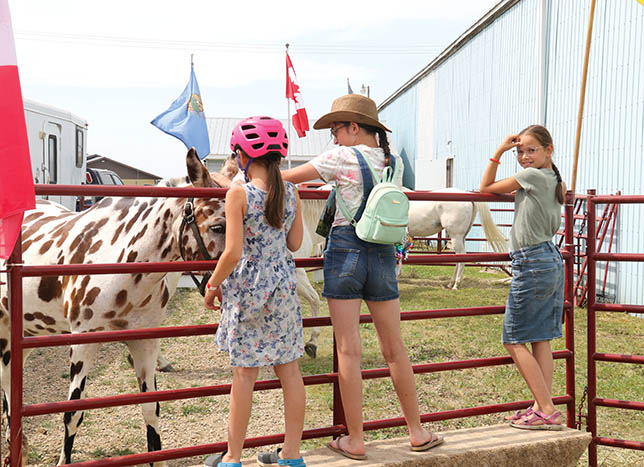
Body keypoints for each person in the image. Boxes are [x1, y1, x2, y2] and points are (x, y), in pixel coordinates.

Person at [281, 94, 443, 461]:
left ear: (353, 127)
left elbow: (288, 177)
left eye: (336, 129)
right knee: (394, 349)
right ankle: (416, 431)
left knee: (349, 351)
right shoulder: (394, 162)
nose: (334, 137)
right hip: (384, 254)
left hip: (346, 252)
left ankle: (355, 439)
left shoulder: (341, 157)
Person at [203, 116, 306, 467]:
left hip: (248, 289)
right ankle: (291, 455)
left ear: (243, 157)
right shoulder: (291, 192)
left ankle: (232, 457)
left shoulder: (239, 193)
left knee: (245, 375)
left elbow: (232, 252)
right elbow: (294, 243)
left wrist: (213, 283)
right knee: (290, 372)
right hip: (283, 286)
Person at [479, 124, 567, 431]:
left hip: (532, 261)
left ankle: (546, 409)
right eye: (519, 151)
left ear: (548, 150)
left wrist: (499, 151)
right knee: (540, 337)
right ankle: (541, 406)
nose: (524, 156)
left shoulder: (531, 177)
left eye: (531, 150)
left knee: (513, 338)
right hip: (549, 259)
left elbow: (485, 187)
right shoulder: (554, 179)